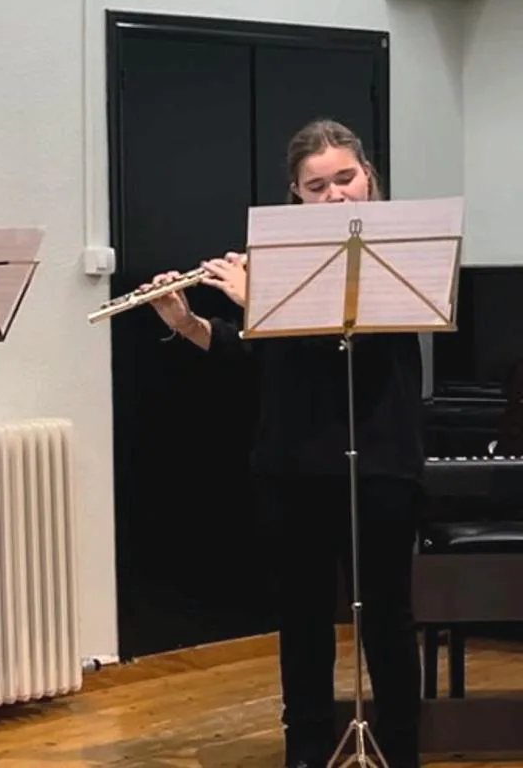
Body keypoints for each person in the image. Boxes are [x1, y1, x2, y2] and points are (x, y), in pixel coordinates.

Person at [143, 119, 423, 768]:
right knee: (301, 617)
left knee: (385, 614)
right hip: (293, 459)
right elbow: (266, 361)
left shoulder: (402, 251)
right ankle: (306, 747)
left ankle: (404, 748)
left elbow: (348, 345)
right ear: (296, 195)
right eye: (316, 185)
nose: (335, 196)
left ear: (370, 178)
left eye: (345, 178)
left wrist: (260, 299)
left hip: (379, 455)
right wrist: (188, 323)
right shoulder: (279, 256)